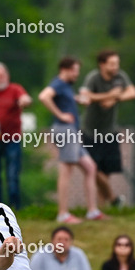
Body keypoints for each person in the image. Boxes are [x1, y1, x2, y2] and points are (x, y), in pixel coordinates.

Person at [38, 57, 106, 224]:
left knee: (90, 167)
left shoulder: (66, 87)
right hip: (64, 130)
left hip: (72, 132)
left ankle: (92, 211)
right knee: (66, 171)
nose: (77, 74)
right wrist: (60, 115)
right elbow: (44, 96)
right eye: (75, 70)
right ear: (65, 69)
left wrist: (76, 101)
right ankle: (63, 214)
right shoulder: (59, 83)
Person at [79, 49, 135, 208]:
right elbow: (85, 96)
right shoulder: (93, 78)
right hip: (90, 132)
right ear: (102, 65)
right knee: (93, 169)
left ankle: (101, 208)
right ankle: (112, 199)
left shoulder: (120, 77)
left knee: (106, 172)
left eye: (117, 64)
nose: (115, 67)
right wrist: (109, 95)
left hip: (110, 132)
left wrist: (115, 97)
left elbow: (133, 92)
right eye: (112, 64)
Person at [0, 63, 32, 208]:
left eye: (0, 76)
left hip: (12, 139)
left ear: (7, 76)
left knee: (12, 175)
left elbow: (26, 99)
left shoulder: (15, 89)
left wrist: (24, 101)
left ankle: (15, 207)